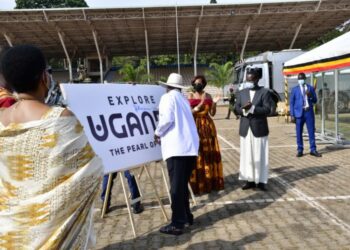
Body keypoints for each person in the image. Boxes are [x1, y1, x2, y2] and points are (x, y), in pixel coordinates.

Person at [0, 45, 103, 249]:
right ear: (44, 78)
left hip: (11, 234)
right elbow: (93, 171)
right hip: (56, 237)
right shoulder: (60, 119)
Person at [154, 73, 199, 235]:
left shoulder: (167, 98)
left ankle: (177, 223)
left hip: (177, 148)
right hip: (189, 148)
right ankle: (186, 216)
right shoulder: (183, 100)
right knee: (182, 185)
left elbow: (166, 120)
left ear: (167, 86)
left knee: (176, 188)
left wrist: (157, 133)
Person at [234, 68, 272, 191]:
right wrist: (244, 110)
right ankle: (249, 180)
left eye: (252, 79)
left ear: (257, 79)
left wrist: (253, 108)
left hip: (259, 128)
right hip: (245, 128)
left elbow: (267, 110)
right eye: (248, 79)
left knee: (260, 155)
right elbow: (236, 108)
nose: (249, 81)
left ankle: (261, 181)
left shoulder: (264, 92)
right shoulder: (241, 92)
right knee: (247, 155)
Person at [188, 75, 224, 195]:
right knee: (197, 154)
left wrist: (214, 103)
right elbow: (189, 113)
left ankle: (210, 180)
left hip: (208, 127)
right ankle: (198, 182)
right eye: (196, 83)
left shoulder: (208, 96)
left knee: (208, 153)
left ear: (204, 84)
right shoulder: (190, 95)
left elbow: (212, 113)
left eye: (200, 83)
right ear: (193, 84)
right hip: (195, 126)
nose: (198, 84)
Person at [290, 72, 321, 157]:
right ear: (298, 80)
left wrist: (310, 95)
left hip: (308, 112)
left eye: (302, 78)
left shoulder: (310, 88)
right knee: (299, 132)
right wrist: (292, 115)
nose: (301, 80)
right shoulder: (294, 89)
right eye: (299, 79)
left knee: (311, 131)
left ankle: (313, 149)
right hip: (298, 113)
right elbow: (292, 103)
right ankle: (300, 150)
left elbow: (315, 100)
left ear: (305, 79)